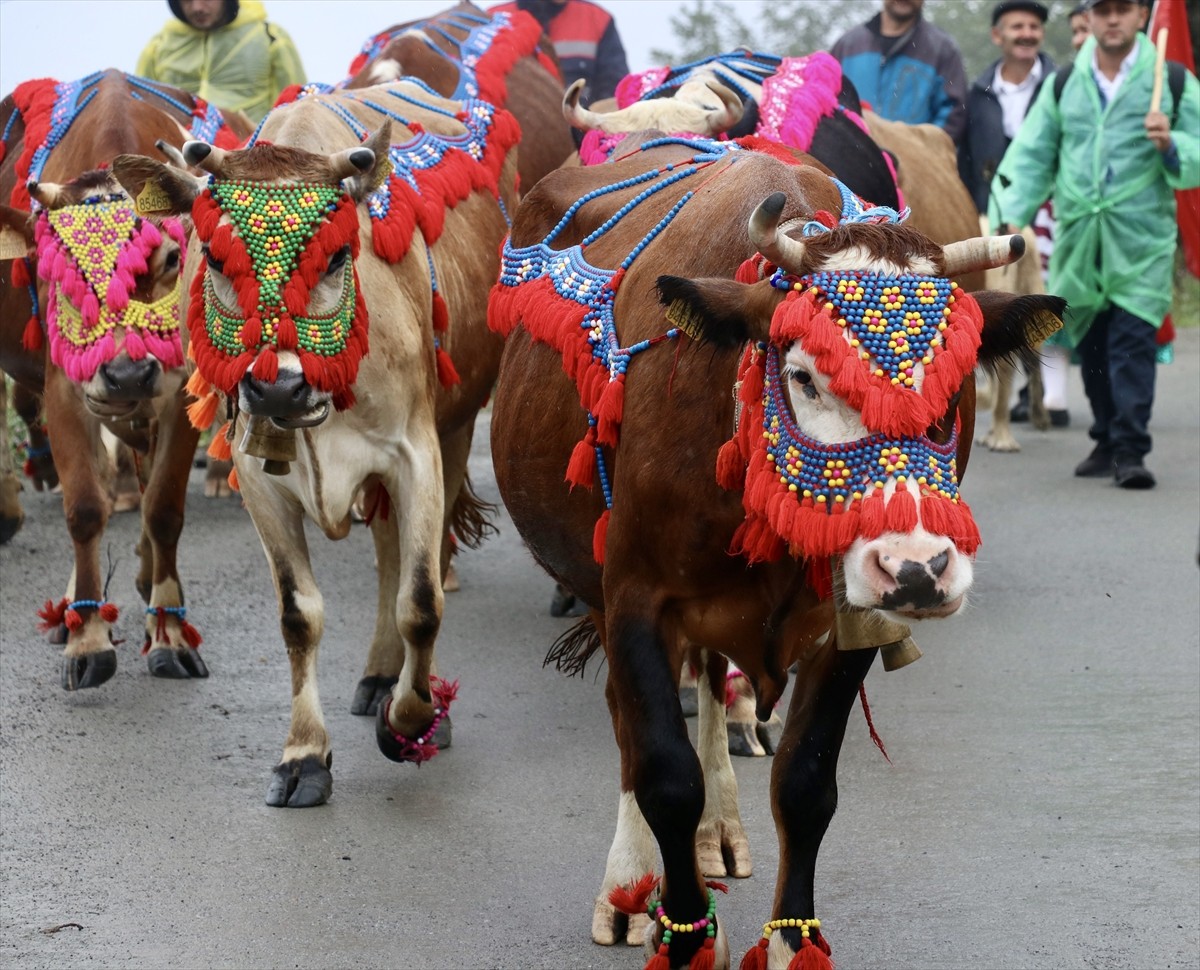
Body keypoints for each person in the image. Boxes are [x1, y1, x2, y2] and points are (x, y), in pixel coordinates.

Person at [990, 0, 1200, 489]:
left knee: (1131, 342)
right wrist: (1008, 214)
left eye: (1122, 9)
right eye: (1102, 9)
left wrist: (1172, 145)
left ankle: (1131, 447)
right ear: (1091, 15)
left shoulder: (1168, 80)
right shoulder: (1064, 83)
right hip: (1079, 239)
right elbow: (1034, 151)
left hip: (1140, 242)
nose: (1112, 19)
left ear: (1139, 16)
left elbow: (1198, 144)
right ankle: (1105, 438)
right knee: (1094, 343)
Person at [137, 0, 306, 123]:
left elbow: (297, 106)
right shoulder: (158, 46)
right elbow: (141, 107)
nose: (197, 7)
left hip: (249, 155)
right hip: (177, 157)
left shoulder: (268, 37)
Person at [830, 0, 968, 145]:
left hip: (913, 165)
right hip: (847, 160)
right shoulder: (847, 46)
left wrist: (917, 153)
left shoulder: (942, 50)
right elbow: (824, 105)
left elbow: (953, 117)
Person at [490, 0, 628, 105]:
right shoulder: (491, 20)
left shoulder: (598, 19)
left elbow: (616, 89)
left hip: (582, 134)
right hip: (509, 136)